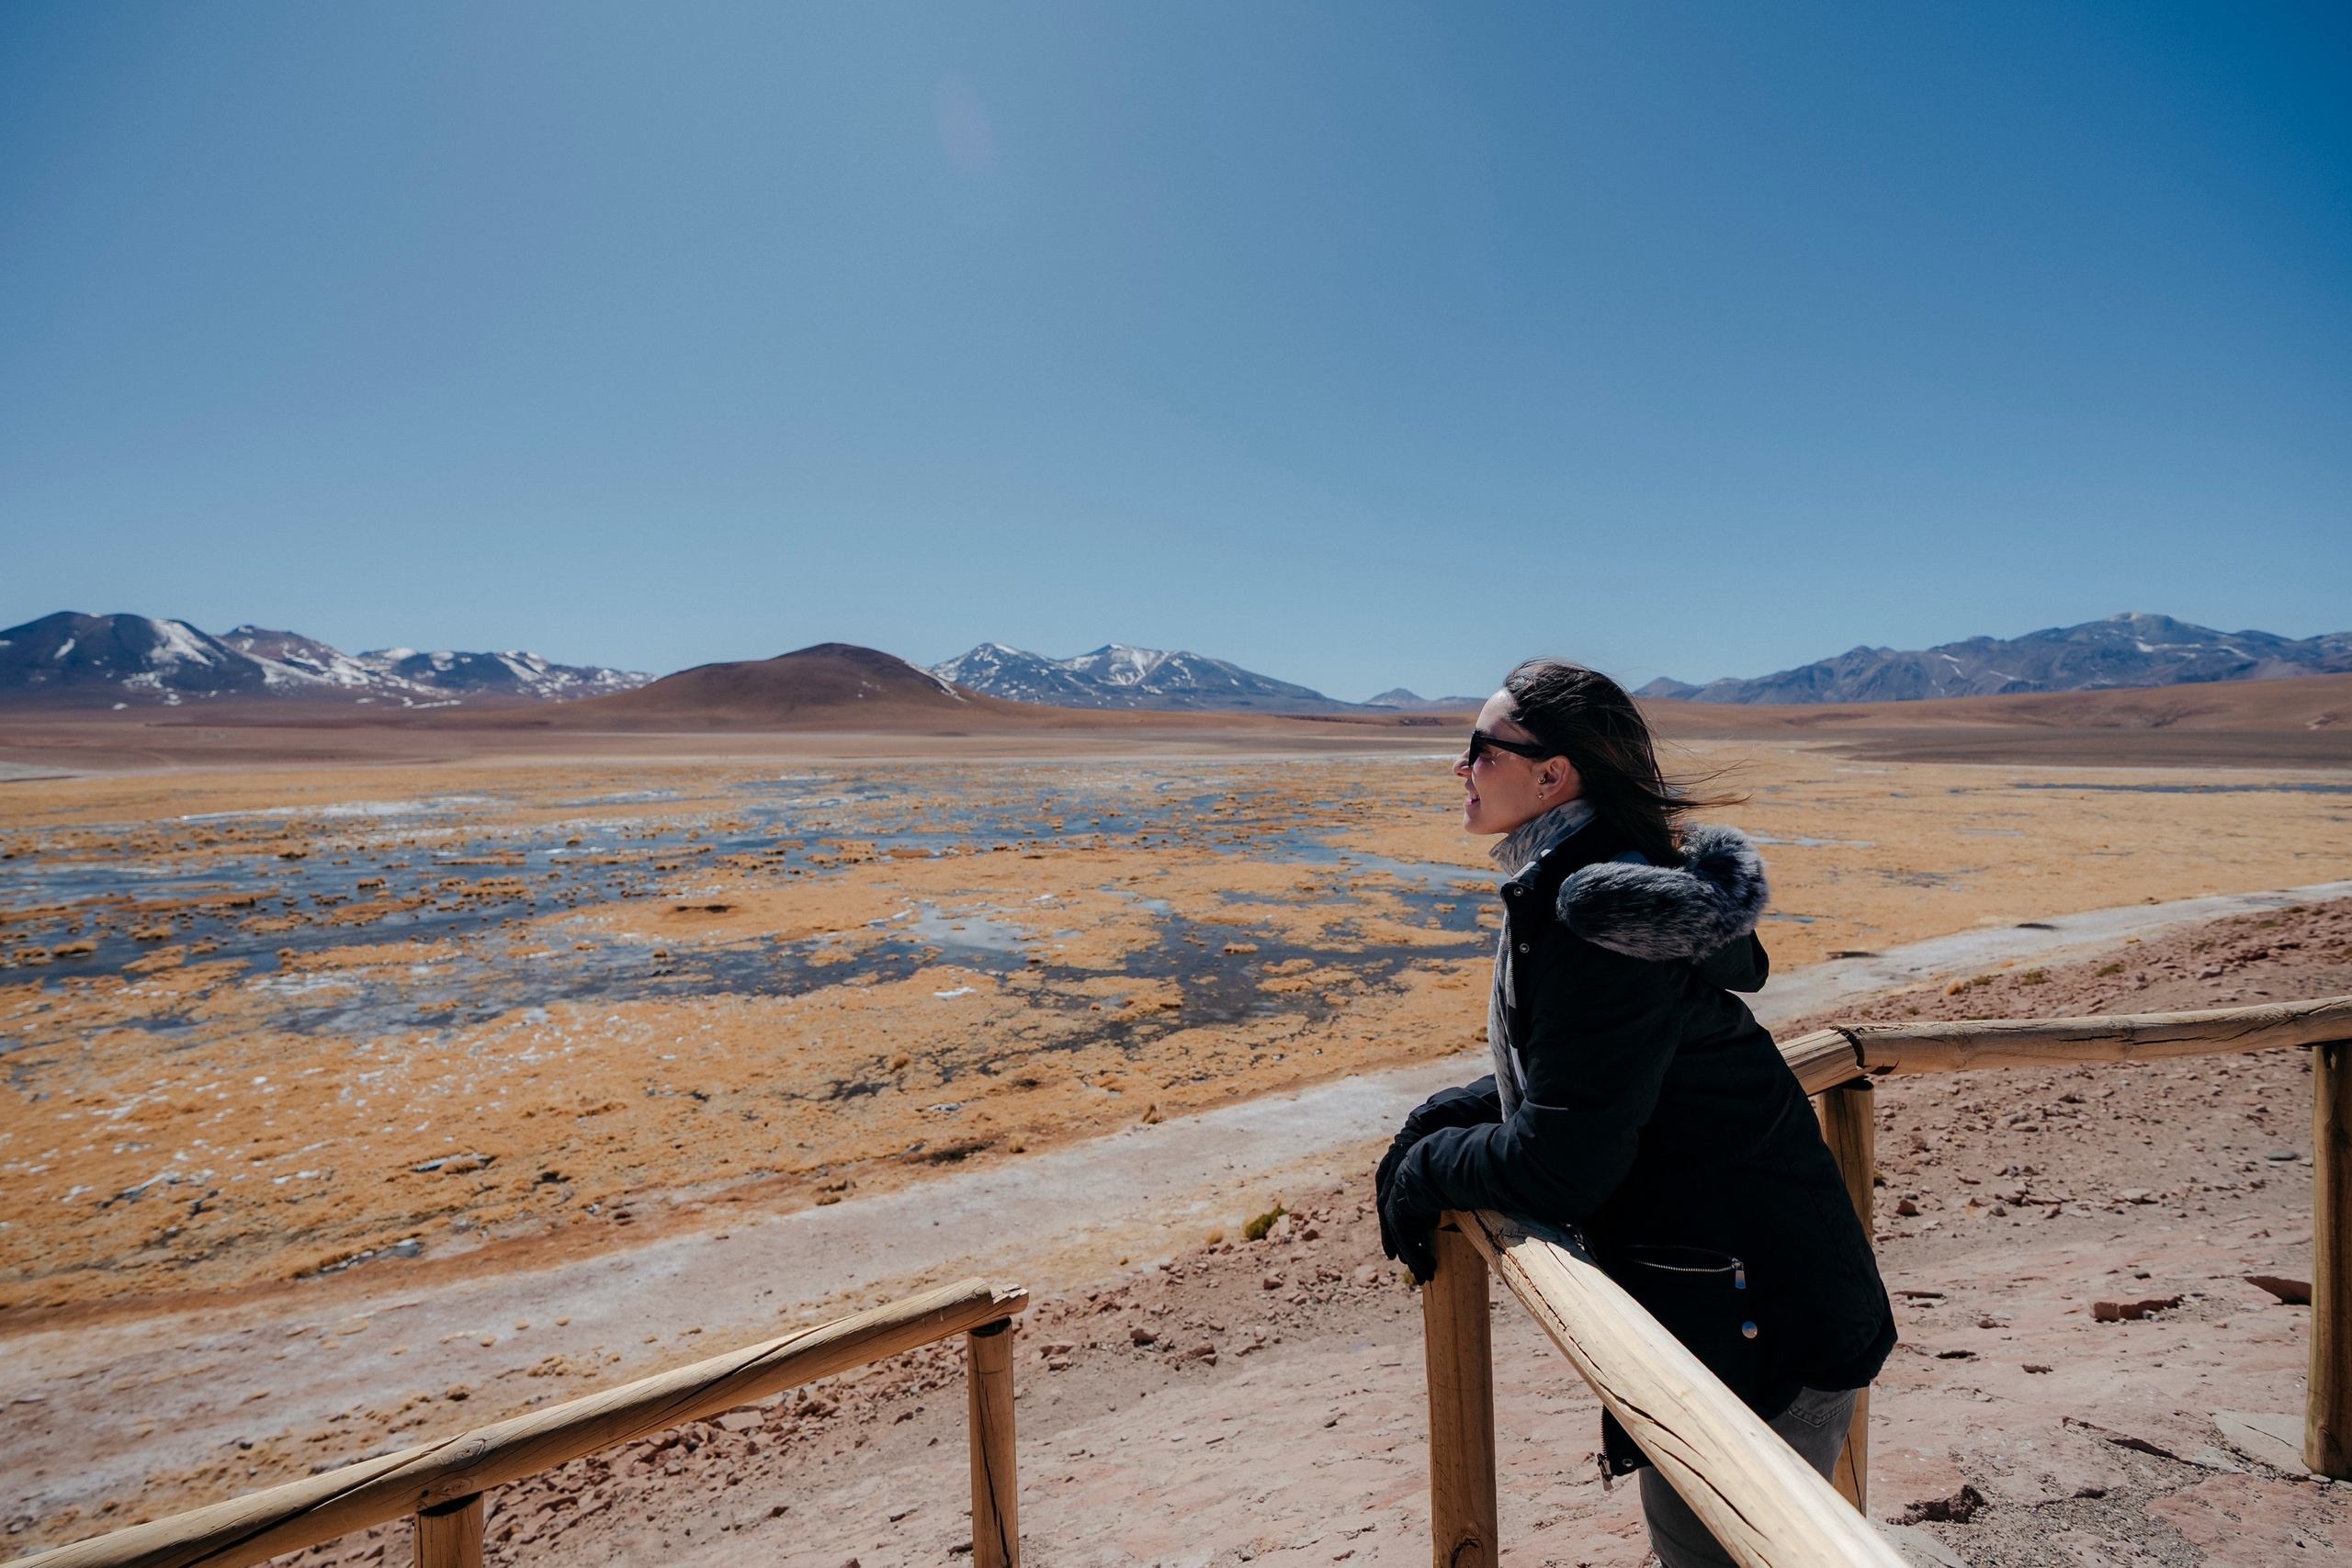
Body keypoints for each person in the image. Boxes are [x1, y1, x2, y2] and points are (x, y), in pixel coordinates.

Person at [1374, 659, 1895, 1568]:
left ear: (1551, 774)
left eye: (1478, 748)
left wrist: (1425, 1175)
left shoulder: (1593, 907)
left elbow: (1561, 1160)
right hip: (1738, 1291)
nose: (1457, 767)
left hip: (1762, 1317)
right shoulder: (1588, 882)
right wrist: (1430, 1123)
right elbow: (1587, 1073)